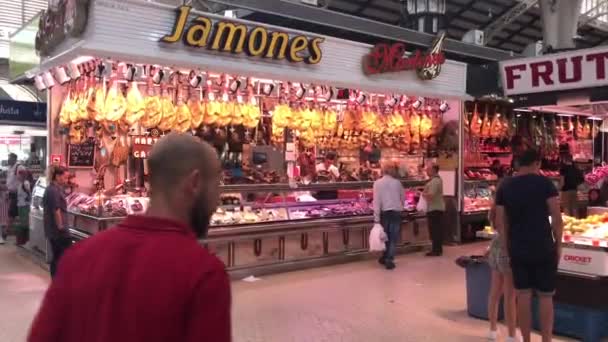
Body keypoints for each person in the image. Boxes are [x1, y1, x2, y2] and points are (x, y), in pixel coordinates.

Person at [28, 134, 231, 342]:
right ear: (195, 183)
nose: (216, 201)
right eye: (216, 186)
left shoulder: (77, 258)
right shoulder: (203, 274)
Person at [495, 149, 563, 342]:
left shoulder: (505, 186)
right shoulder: (545, 183)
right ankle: (546, 340)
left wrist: (507, 249)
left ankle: (526, 339)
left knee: (522, 295)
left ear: (518, 164)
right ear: (536, 163)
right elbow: (556, 218)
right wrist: (558, 245)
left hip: (517, 247)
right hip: (543, 245)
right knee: (545, 296)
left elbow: (501, 222)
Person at [487, 182, 518, 342]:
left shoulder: (494, 209)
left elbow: (496, 228)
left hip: (495, 248)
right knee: (510, 296)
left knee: (495, 293)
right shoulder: (510, 210)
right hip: (508, 249)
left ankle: (492, 329)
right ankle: (511, 335)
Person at [373, 163, 405, 270]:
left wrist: (376, 218)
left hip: (385, 213)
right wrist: (401, 207)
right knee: (393, 237)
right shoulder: (397, 183)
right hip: (396, 212)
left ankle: (385, 257)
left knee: (385, 237)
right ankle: (389, 258)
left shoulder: (377, 183)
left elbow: (376, 202)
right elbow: (402, 198)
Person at [42, 166, 70, 277]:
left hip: (53, 229)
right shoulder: (53, 190)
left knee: (58, 256)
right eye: (65, 177)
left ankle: (57, 281)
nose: (66, 180)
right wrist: (60, 226)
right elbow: (56, 210)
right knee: (60, 256)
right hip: (57, 231)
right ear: (57, 176)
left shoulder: (54, 189)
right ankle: (58, 280)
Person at [1, 153, 26, 243]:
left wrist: (18, 188)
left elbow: (23, 180)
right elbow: (10, 182)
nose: (8, 160)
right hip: (12, 194)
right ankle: (8, 232)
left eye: (9, 158)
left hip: (18, 195)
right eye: (8, 158)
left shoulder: (19, 168)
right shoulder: (10, 168)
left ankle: (5, 233)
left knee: (12, 214)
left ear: (15, 159)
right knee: (12, 214)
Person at [423, 164, 445, 256]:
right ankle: (437, 249)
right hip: (436, 207)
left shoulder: (435, 181)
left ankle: (436, 250)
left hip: (434, 208)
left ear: (433, 170)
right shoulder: (435, 180)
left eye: (428, 169)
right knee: (436, 229)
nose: (426, 171)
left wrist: (422, 194)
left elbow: (431, 195)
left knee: (435, 230)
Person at [16, 169, 33, 246]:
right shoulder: (20, 183)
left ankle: (25, 241)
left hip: (24, 206)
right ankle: (23, 241)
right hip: (21, 205)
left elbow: (29, 193)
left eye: (20, 174)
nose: (18, 176)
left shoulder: (26, 183)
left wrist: (28, 199)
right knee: (23, 222)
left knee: (25, 223)